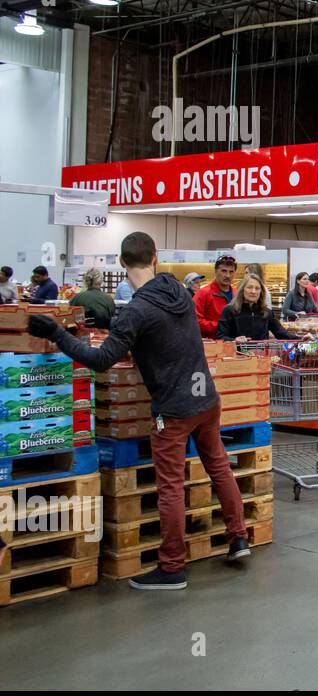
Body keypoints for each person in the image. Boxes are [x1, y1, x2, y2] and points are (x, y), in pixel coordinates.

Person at [26, 231, 251, 590]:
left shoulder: (137, 311)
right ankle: (238, 537)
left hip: (173, 411)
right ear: (156, 258)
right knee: (219, 466)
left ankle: (172, 566)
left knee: (171, 487)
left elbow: (101, 359)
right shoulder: (179, 291)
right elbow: (169, 338)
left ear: (120, 262)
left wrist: (57, 333)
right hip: (206, 398)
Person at [218, 273, 300, 342]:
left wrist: (301, 338)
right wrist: (234, 340)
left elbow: (281, 333)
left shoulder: (266, 312)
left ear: (261, 292)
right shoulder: (229, 310)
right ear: (242, 290)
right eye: (249, 287)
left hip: (262, 356)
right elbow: (220, 336)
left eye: (257, 288)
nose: (253, 291)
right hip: (238, 357)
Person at [193, 255, 237, 338]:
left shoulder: (237, 293)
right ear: (216, 272)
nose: (227, 275)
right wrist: (222, 326)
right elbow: (195, 321)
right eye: (224, 271)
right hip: (212, 345)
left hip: (235, 344)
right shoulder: (203, 293)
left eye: (231, 272)